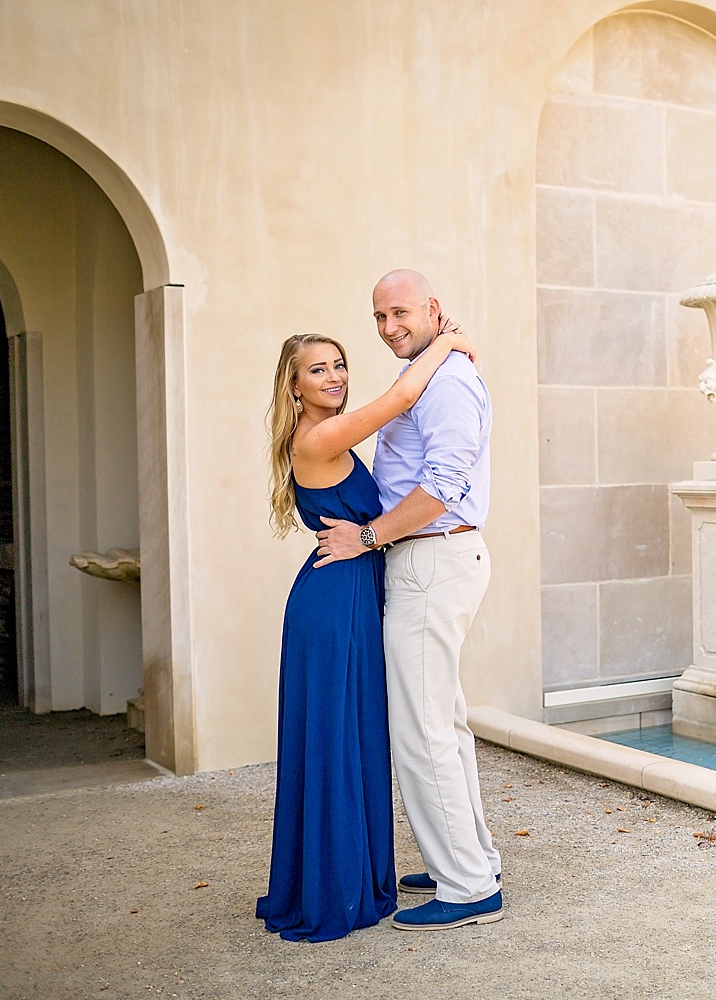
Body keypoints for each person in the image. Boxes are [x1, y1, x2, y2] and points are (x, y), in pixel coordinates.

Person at [256, 324, 472, 942]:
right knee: (334, 738)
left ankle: (354, 874)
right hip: (331, 602)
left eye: (340, 365)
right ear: (294, 388)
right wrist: (445, 343)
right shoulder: (320, 436)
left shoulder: (328, 435)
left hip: (351, 591)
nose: (335, 377)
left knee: (356, 733)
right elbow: (401, 400)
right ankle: (333, 888)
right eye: (318, 370)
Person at [313, 269, 503, 932]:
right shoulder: (432, 369)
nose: (390, 327)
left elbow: (442, 487)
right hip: (433, 560)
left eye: (401, 313)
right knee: (444, 722)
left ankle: (469, 886)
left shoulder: (445, 383)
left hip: (430, 560)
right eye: (379, 318)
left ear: (432, 309)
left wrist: (367, 537)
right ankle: (471, 857)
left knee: (421, 729)